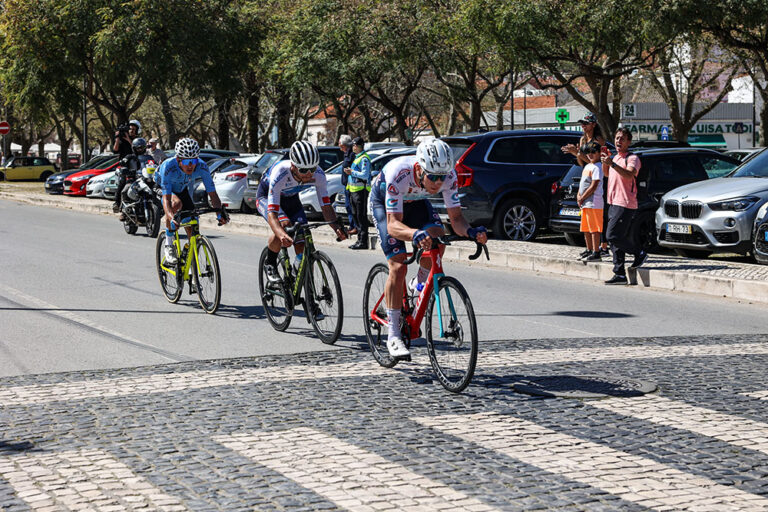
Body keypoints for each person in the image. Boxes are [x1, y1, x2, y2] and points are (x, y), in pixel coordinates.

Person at [370, 139, 488, 359]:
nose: (437, 183)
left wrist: (471, 232)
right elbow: (394, 225)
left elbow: (456, 219)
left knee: (438, 239)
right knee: (398, 265)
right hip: (384, 203)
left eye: (442, 177)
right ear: (418, 168)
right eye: (432, 177)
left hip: (417, 202)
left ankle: (419, 284)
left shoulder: (449, 177)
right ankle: (394, 335)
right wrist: (414, 234)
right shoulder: (400, 173)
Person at [257, 140, 348, 282]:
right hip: (267, 197)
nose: (309, 174)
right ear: (293, 166)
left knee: (302, 240)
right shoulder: (280, 173)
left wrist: (336, 227)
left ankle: (299, 279)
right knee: (284, 225)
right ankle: (270, 263)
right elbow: (272, 214)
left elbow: (325, 205)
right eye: (304, 170)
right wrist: (281, 234)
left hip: (292, 199)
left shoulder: (318, 175)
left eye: (312, 168)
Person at [155, 138, 229, 264]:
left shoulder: (201, 166)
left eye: (193, 160)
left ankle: (191, 263)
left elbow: (212, 193)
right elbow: (167, 200)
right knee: (176, 203)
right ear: (178, 159)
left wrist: (219, 213)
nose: (191, 165)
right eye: (187, 161)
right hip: (163, 188)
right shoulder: (168, 166)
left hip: (182, 188)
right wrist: (171, 216)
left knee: (193, 224)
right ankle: (169, 244)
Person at [601, 127, 648, 284]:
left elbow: (629, 174)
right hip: (613, 202)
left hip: (625, 203)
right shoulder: (615, 158)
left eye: (622, 138)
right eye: (616, 138)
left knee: (611, 236)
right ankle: (619, 273)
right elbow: (607, 174)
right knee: (617, 239)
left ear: (628, 142)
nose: (618, 141)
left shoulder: (632, 158)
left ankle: (639, 252)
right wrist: (606, 161)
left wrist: (612, 164)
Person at [576, 142, 604, 262]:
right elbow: (582, 183)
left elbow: (593, 186)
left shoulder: (598, 167)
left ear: (598, 153)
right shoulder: (588, 166)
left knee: (594, 229)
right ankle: (589, 249)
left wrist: (582, 197)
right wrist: (578, 195)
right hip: (585, 202)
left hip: (594, 202)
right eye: (588, 152)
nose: (590, 155)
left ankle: (596, 251)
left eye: (593, 152)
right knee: (586, 228)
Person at [345, 136, 372, 249]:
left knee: (361, 217)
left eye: (354, 145)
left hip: (361, 191)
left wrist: (352, 172)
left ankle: (363, 241)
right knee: (356, 216)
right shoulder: (357, 157)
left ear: (359, 146)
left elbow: (365, 175)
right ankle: (359, 240)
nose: (353, 147)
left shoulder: (364, 158)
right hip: (353, 191)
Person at [112, 120, 141, 213]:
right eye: (130, 129)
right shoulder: (122, 140)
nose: (131, 131)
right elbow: (115, 150)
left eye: (133, 129)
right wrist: (117, 137)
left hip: (136, 164)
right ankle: (117, 203)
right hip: (124, 165)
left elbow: (135, 150)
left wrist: (128, 138)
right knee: (122, 181)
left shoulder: (137, 140)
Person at [338, 134, 358, 234]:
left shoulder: (352, 154)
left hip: (352, 185)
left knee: (351, 206)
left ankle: (355, 226)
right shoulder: (346, 154)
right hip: (347, 185)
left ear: (343, 144)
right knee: (348, 206)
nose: (338, 144)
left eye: (339, 142)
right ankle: (352, 225)